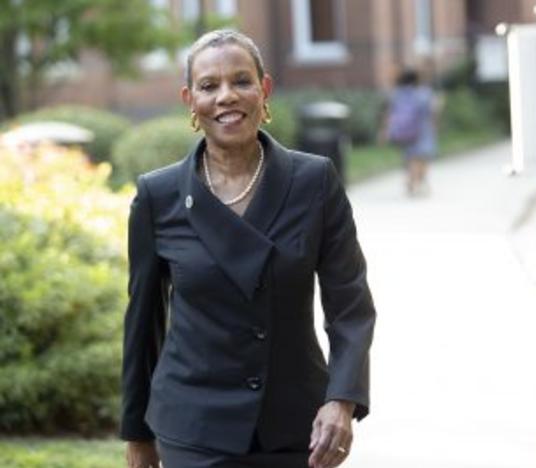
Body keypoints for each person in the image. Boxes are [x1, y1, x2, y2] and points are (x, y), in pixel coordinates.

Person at [120, 29, 376, 468]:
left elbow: (349, 304)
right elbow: (143, 324)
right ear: (189, 101)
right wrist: (137, 435)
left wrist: (343, 399)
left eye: (241, 81)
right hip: (193, 426)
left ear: (265, 89)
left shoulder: (314, 182)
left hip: (296, 426)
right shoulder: (158, 196)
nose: (226, 96)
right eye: (208, 85)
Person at [383, 68, 438, 197]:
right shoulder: (424, 92)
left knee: (410, 156)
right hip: (423, 129)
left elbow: (390, 113)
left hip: (404, 130)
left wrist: (386, 130)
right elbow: (431, 111)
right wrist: (435, 126)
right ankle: (419, 180)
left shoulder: (397, 93)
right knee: (422, 156)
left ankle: (411, 180)